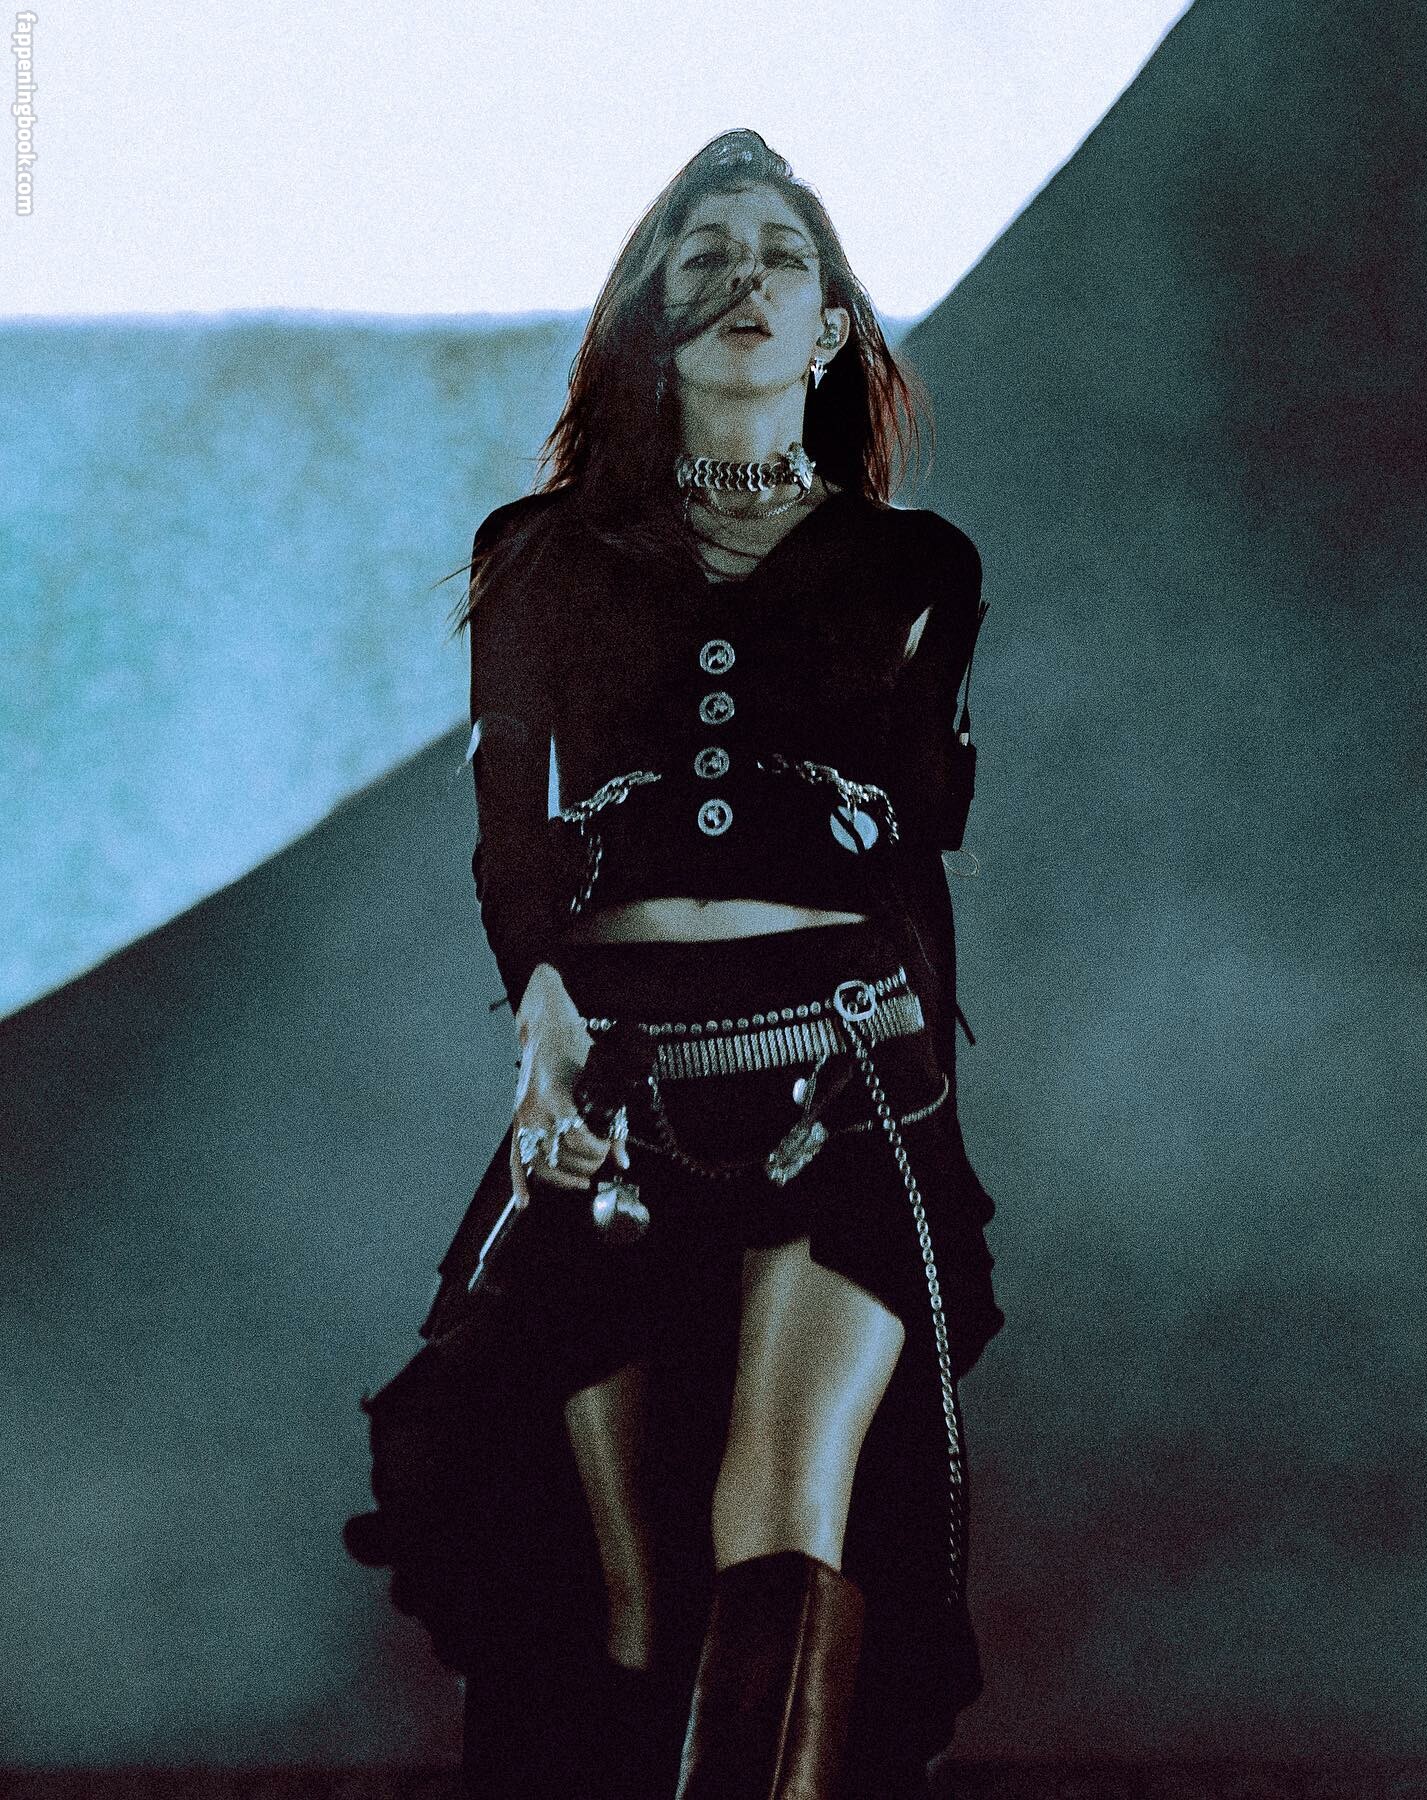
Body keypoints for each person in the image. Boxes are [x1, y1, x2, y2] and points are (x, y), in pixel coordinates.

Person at [429, 127, 1004, 1800]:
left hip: (842, 1071)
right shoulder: (539, 555)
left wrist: (929, 1093)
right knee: (627, 1594)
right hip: (617, 1079)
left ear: (831, 326)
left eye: (782, 257)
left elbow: (912, 849)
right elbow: (511, 838)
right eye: (706, 254)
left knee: (782, 1513)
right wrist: (540, 1050)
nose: (747, 279)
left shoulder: (919, 565)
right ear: (651, 316)